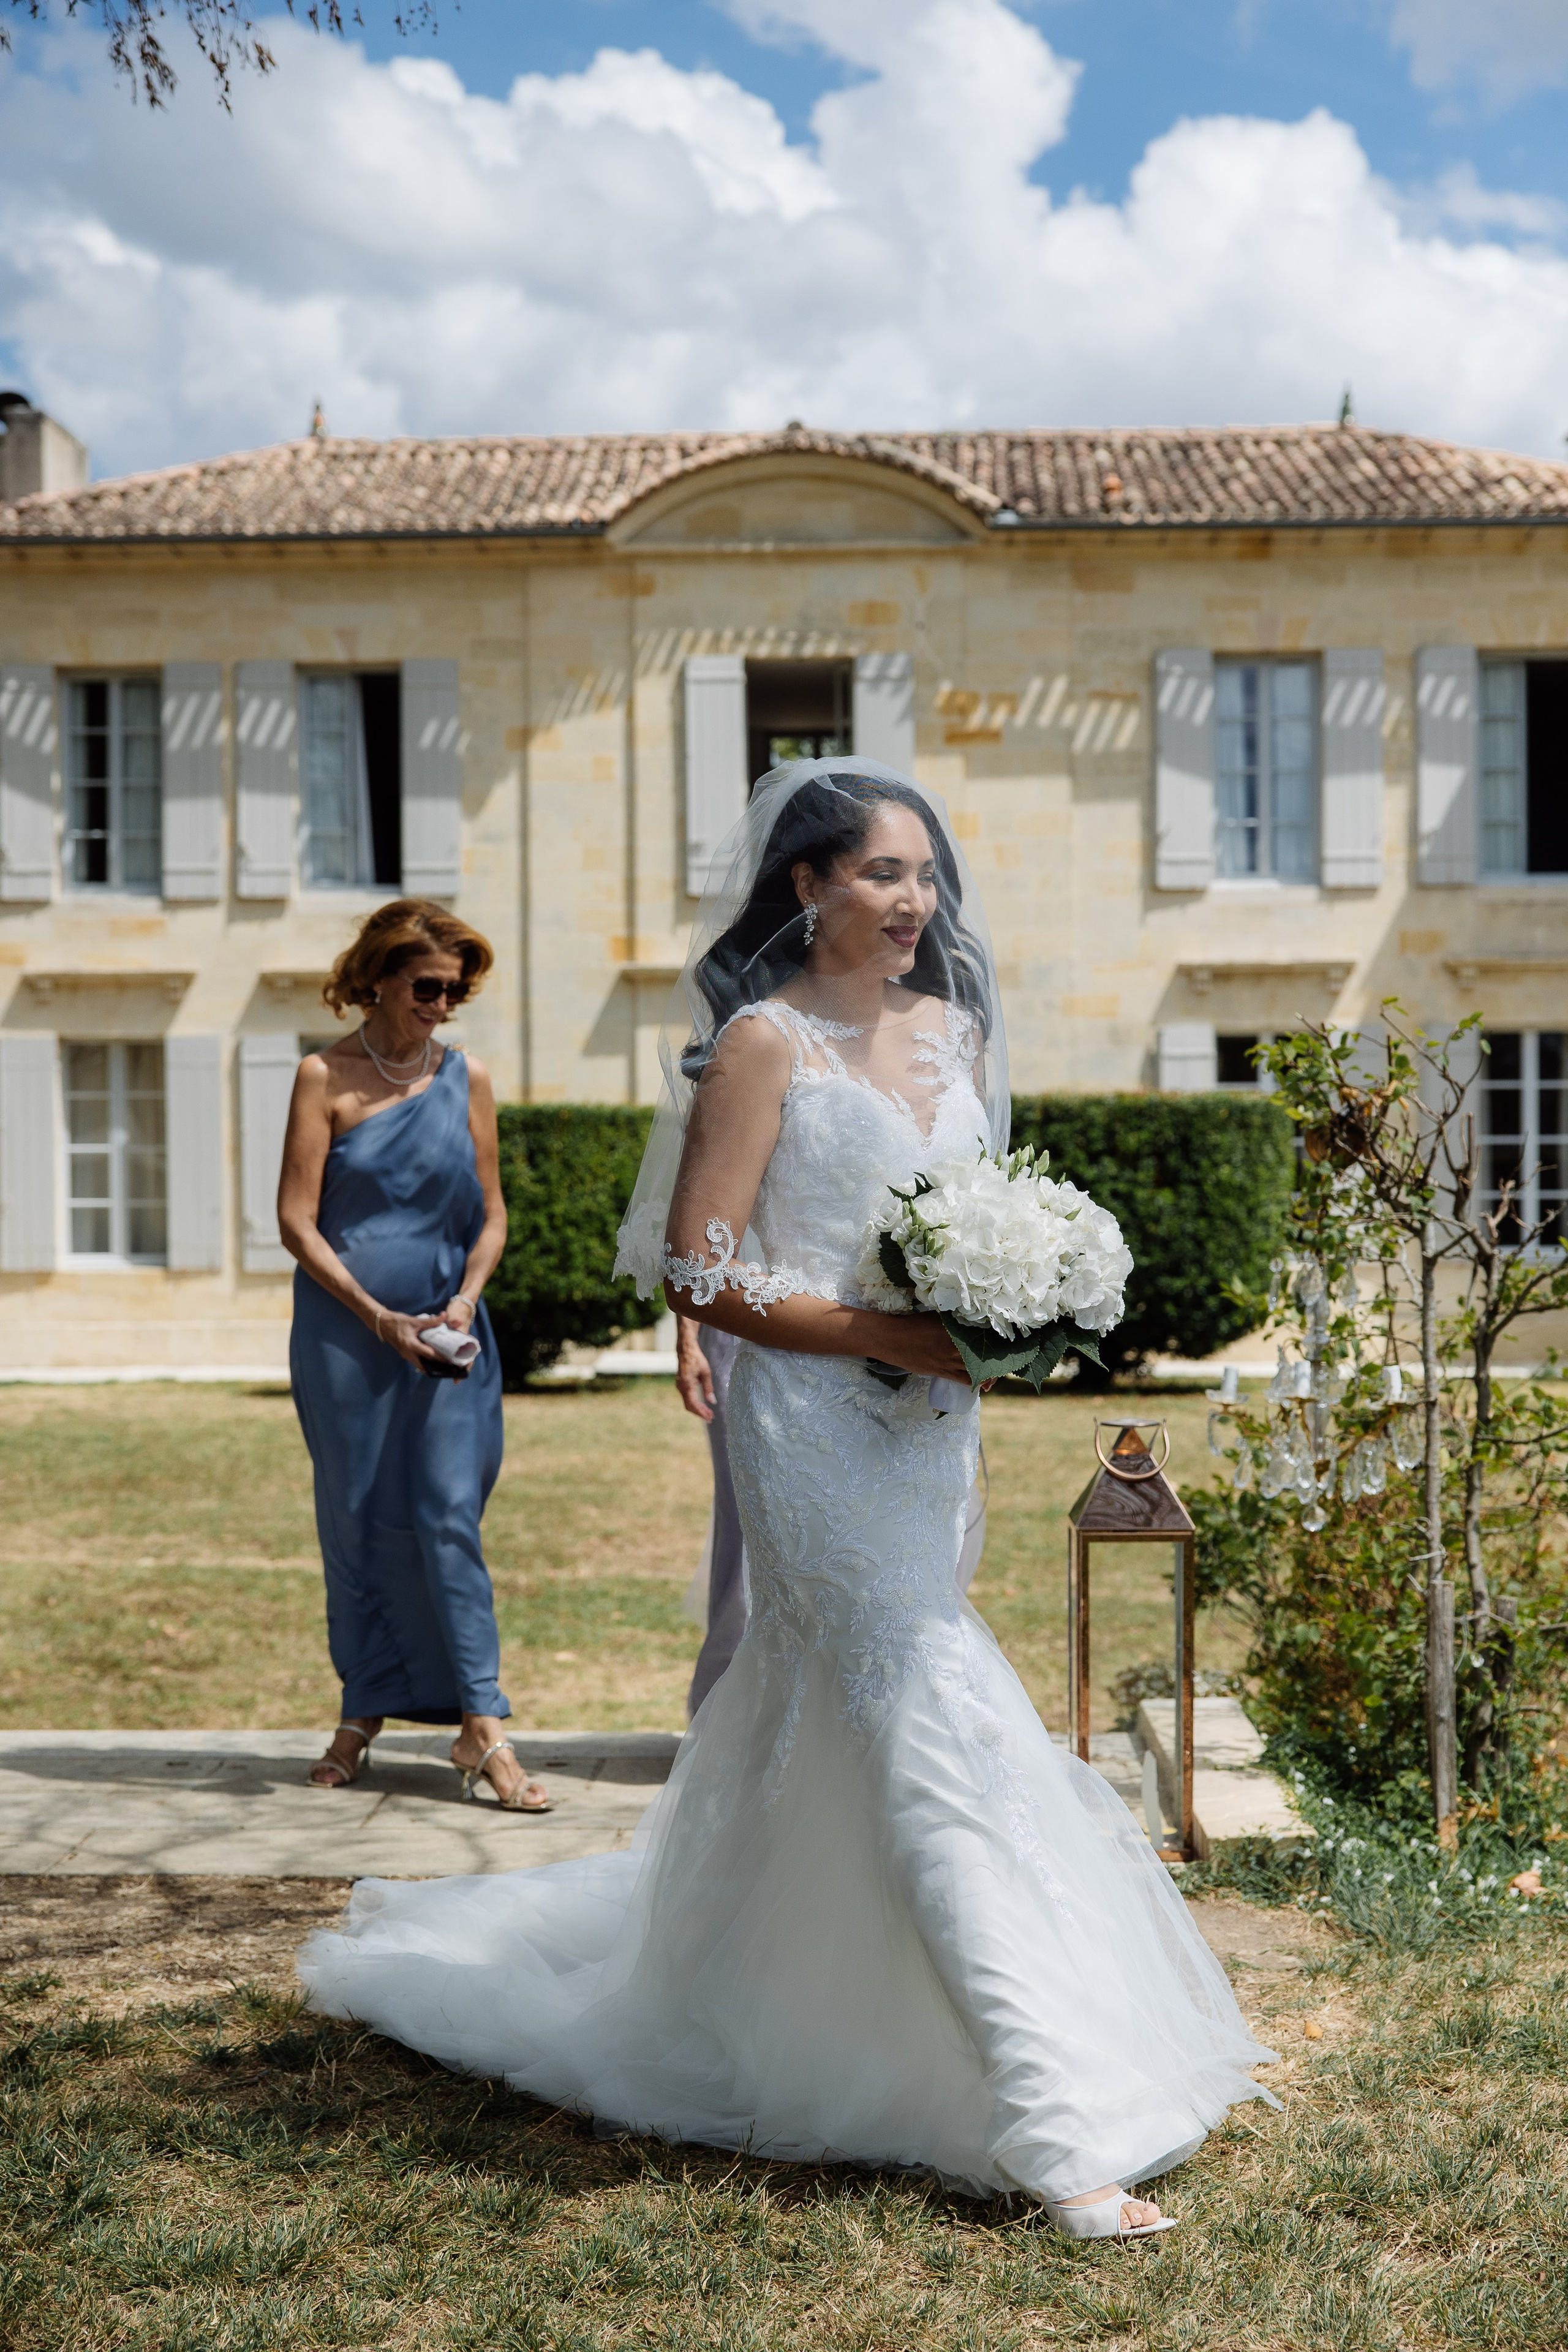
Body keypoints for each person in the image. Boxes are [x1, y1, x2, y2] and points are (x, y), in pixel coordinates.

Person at [300, 765, 1274, 2237]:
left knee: (847, 1703)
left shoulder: (953, 1031)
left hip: (927, 1426)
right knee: (912, 1690)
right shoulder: (762, 1044)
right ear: (808, 884)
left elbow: (966, 1224)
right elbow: (699, 1270)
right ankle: (1046, 2116)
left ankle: (782, 2000)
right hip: (809, 1423)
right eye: (882, 872)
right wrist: (887, 1334)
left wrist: (1005, 1306)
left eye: (925, 874)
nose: (914, 901)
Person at [278, 898, 549, 1815]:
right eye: (428, 986)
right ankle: (362, 1709)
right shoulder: (324, 1075)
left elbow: (492, 1213)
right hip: (343, 1338)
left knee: (447, 1515)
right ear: (380, 978)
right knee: (356, 1519)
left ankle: (482, 1722)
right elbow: (297, 1222)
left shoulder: (466, 1077)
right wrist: (376, 1317)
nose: (441, 1005)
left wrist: (463, 1300)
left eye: (455, 991)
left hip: (448, 1337)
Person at [674, 1315, 748, 1718]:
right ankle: (722, 1711)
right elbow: (686, 1275)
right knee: (747, 1525)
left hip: (852, 1337)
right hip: (740, 1329)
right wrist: (688, 1339)